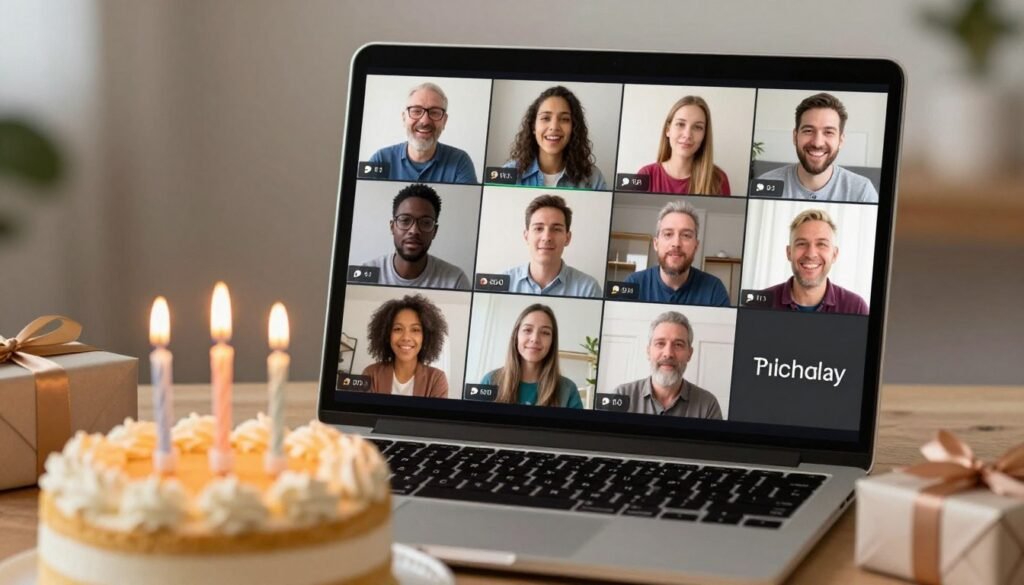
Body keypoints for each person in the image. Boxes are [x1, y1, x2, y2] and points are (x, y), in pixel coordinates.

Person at [757, 93, 879, 203]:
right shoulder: (766, 183)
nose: (817, 143)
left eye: (829, 132)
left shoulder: (862, 192)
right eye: (808, 131)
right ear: (795, 137)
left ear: (840, 140)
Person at [613, 311, 722, 419]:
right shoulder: (621, 395)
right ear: (648, 351)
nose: (668, 353)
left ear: (689, 354)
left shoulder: (708, 405)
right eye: (660, 343)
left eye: (678, 345)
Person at [361, 183, 470, 290]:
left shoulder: (455, 281)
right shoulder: (366, 273)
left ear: (435, 231)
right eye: (405, 220)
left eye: (425, 222)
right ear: (392, 227)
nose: (414, 231)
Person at [761, 209, 869, 315]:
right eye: (801, 243)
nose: (811, 254)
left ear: (834, 254)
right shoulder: (760, 304)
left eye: (821, 244)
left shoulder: (856, 308)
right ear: (789, 253)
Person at [624, 200, 730, 306]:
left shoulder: (714, 290)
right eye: (668, 234)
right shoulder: (633, 284)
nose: (676, 243)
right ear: (656, 244)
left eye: (686, 235)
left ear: (696, 246)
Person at [369, 82, 477, 184]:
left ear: (444, 121)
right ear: (404, 118)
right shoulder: (380, 160)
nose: (425, 121)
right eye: (416, 111)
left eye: (434, 112)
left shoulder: (460, 162)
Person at [502, 86, 607, 190]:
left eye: (564, 119)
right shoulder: (508, 174)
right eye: (546, 118)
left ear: (574, 127)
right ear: (533, 126)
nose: (554, 127)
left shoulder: (593, 179)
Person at [480, 304, 583, 408]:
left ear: (552, 341)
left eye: (545, 332)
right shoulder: (490, 381)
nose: (535, 339)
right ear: (516, 336)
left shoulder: (568, 390)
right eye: (528, 330)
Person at [503, 194, 601, 298]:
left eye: (556, 229)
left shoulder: (589, 289)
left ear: (567, 238)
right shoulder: (503, 283)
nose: (546, 237)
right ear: (526, 236)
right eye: (538, 228)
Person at [637, 96, 731, 196]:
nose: (687, 135)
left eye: (697, 127)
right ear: (668, 130)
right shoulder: (645, 175)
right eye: (680, 124)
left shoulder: (718, 180)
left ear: (704, 135)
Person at [361, 294, 449, 398]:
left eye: (415, 330)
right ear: (387, 335)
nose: (406, 337)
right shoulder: (371, 374)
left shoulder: (436, 379)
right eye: (398, 329)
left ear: (425, 337)